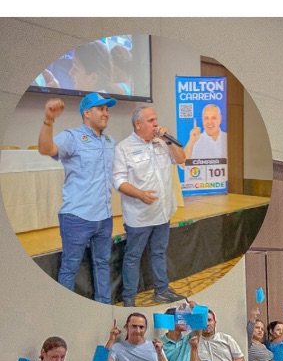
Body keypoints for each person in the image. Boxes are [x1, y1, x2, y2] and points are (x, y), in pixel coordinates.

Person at [37, 92, 116, 302]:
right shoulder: (71, 137)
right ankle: (66, 309)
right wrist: (48, 120)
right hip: (77, 218)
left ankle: (104, 306)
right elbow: (45, 149)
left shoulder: (110, 141)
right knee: (70, 268)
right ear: (87, 113)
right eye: (101, 109)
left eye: (107, 109)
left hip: (105, 217)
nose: (106, 113)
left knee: (102, 265)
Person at [112, 105, 186, 306]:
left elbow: (181, 159)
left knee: (159, 252)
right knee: (133, 257)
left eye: (156, 119)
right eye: (151, 120)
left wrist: (168, 140)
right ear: (138, 124)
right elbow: (118, 181)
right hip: (139, 216)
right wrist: (140, 194)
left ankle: (161, 291)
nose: (156, 124)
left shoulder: (162, 143)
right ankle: (129, 299)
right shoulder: (123, 148)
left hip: (163, 212)